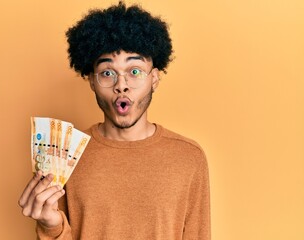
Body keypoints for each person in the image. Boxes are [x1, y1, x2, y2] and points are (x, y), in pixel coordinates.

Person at [18, 2, 211, 239]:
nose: (122, 85)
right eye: (108, 73)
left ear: (155, 79)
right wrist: (50, 226)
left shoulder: (188, 157)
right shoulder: (67, 155)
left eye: (135, 71)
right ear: (91, 80)